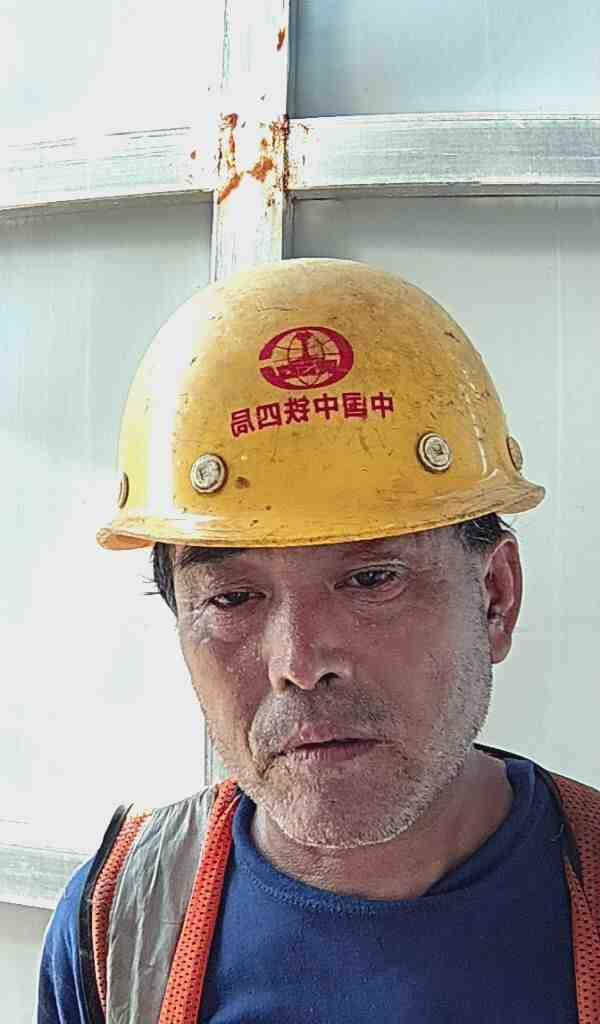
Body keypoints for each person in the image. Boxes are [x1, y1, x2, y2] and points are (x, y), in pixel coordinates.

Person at [38, 259, 600, 1023]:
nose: (300, 664)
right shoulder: (117, 927)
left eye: (372, 579)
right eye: (233, 598)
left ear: (495, 597)